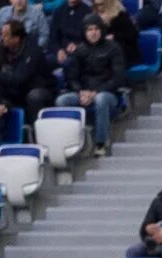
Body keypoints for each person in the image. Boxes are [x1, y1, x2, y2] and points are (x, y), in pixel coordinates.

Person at [56, 16, 125, 156]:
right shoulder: (79, 50)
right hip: (83, 92)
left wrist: (95, 93)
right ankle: (71, 143)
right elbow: (71, 77)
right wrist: (80, 92)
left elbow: (118, 78)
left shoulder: (114, 48)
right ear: (84, 32)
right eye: (89, 30)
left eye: (96, 29)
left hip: (108, 93)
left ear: (102, 30)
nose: (93, 33)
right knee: (62, 101)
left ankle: (101, 143)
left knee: (101, 99)